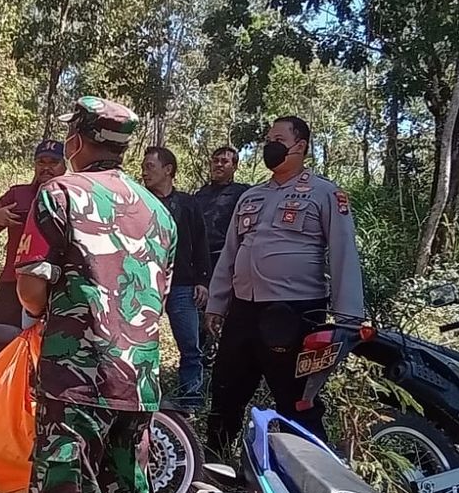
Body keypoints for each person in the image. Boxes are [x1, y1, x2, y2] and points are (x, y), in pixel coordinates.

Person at [14, 96, 176, 493]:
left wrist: (61, 288)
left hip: (76, 384)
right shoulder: (160, 214)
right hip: (140, 384)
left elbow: (30, 292)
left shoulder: (57, 195)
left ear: (77, 141)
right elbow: (160, 297)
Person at [204, 116, 364, 450]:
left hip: (296, 312)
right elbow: (230, 253)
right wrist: (217, 304)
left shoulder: (325, 193)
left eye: (278, 138)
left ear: (301, 146)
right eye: (267, 139)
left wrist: (348, 318)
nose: (269, 145)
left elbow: (343, 252)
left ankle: (306, 477)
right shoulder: (251, 196)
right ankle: (216, 463)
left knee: (296, 401)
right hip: (243, 312)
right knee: (225, 391)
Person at [141, 146, 210, 409]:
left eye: (150, 166)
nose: (145, 172)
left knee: (190, 347)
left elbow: (201, 242)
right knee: (143, 343)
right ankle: (147, 400)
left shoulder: (188, 203)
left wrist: (202, 280)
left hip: (182, 284)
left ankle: (190, 403)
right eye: (144, 167)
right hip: (146, 284)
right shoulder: (140, 201)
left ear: (168, 170)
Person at [0, 140, 66, 326]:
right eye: (41, 162)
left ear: (65, 166)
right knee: (4, 341)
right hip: (13, 282)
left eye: (53, 162)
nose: (46, 168)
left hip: (56, 284)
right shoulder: (18, 194)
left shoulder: (72, 196)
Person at [194, 146, 248, 273]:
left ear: (234, 167)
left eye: (224, 161)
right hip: (200, 260)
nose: (219, 164)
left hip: (227, 259)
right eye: (215, 161)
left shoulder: (243, 193)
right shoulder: (200, 194)